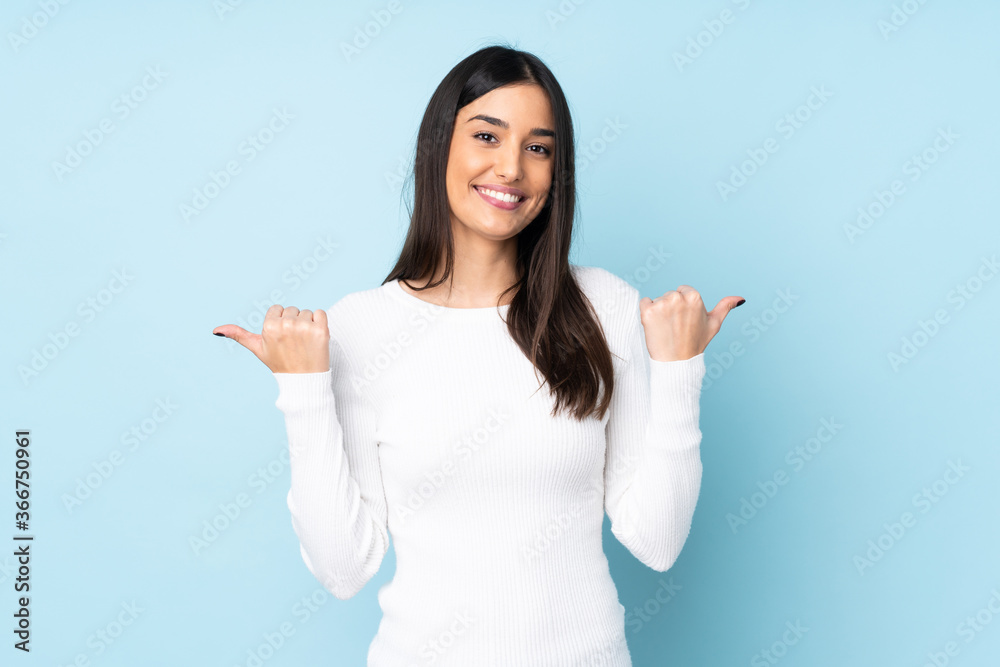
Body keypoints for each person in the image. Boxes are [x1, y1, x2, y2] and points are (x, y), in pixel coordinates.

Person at [213, 44, 744, 667]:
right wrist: (303, 392)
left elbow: (656, 541)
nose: (511, 168)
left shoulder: (606, 308)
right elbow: (343, 568)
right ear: (439, 145)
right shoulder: (364, 326)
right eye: (487, 135)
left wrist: (679, 372)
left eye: (538, 148)